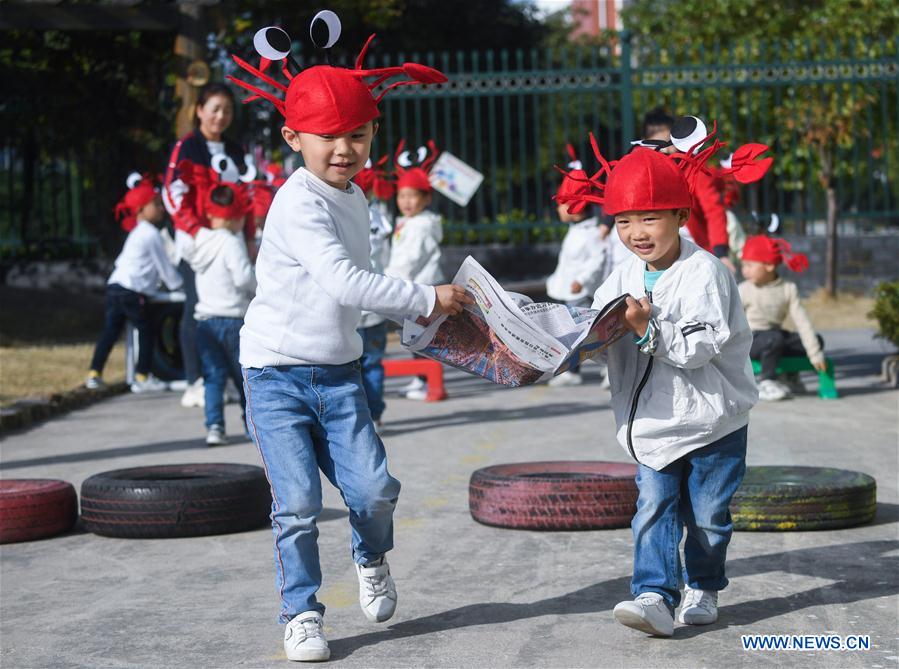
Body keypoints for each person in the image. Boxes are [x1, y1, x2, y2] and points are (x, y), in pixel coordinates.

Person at [229, 23, 470, 662]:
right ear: (293, 138)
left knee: (373, 492)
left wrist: (412, 322)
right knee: (300, 502)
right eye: (327, 137)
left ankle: (371, 555)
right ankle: (302, 614)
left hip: (337, 372)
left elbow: (352, 293)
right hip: (275, 374)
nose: (343, 148)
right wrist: (428, 299)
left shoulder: (356, 196)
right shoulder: (296, 203)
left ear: (373, 135)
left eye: (357, 135)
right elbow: (342, 280)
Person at [557, 126, 771, 637]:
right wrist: (566, 342)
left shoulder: (706, 273)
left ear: (681, 214)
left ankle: (703, 583)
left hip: (712, 425)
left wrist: (644, 327)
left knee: (709, 519)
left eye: (650, 217)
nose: (637, 232)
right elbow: (598, 325)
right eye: (624, 221)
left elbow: (697, 349)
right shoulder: (623, 274)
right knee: (653, 508)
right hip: (652, 426)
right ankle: (653, 594)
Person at [163, 82, 256, 409]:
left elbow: (247, 198)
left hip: (231, 239)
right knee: (196, 308)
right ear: (199, 110)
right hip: (197, 243)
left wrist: (248, 237)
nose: (220, 116)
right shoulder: (187, 147)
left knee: (235, 308)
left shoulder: (236, 150)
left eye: (227, 110)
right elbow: (173, 193)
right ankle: (195, 381)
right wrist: (194, 230)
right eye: (214, 109)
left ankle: (227, 380)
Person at [87, 175, 183, 393]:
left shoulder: (137, 233)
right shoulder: (151, 234)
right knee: (146, 330)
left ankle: (94, 373)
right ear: (140, 209)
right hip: (132, 291)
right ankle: (142, 376)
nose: (161, 209)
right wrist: (179, 286)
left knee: (110, 331)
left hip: (116, 286)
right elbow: (165, 268)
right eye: (156, 205)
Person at [186, 183, 257, 445]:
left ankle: (214, 426)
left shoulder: (200, 242)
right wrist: (259, 285)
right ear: (237, 217)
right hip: (232, 319)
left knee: (213, 376)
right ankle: (252, 425)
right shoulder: (231, 243)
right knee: (244, 377)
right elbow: (242, 278)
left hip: (204, 321)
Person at [384, 140, 445, 401]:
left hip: (420, 288)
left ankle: (424, 379)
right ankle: (420, 379)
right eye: (402, 195)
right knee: (415, 335)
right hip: (414, 286)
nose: (406, 201)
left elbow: (410, 259)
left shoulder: (421, 226)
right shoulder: (408, 222)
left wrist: (388, 282)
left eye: (413, 196)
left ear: (426, 198)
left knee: (420, 336)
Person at [546, 147, 607, 387]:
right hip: (565, 287)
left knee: (582, 331)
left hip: (577, 291)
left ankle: (604, 368)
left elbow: (597, 260)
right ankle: (571, 370)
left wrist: (582, 279)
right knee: (567, 332)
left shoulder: (591, 233)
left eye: (562, 204)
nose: (558, 209)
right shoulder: (575, 232)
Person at [739, 235, 825, 401]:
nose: (744, 270)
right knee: (774, 338)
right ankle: (766, 381)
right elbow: (730, 321)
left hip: (774, 337)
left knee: (815, 340)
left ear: (769, 265)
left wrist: (815, 354)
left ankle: (790, 376)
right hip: (752, 341)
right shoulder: (744, 290)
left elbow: (802, 322)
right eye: (743, 265)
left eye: (749, 265)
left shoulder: (788, 289)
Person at [354, 155, 396, 427]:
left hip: (357, 309)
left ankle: (363, 413)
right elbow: (391, 261)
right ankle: (376, 412)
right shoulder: (380, 218)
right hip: (377, 308)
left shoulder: (346, 217)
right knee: (374, 363)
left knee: (355, 367)